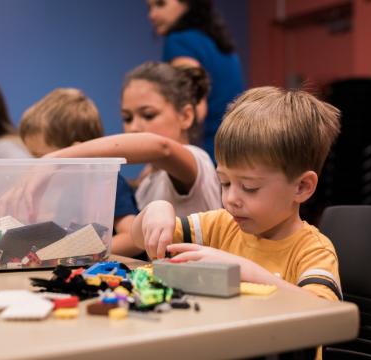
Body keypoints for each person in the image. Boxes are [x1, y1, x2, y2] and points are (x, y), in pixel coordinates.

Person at [132, 87, 343, 303]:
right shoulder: (220, 226)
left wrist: (247, 272)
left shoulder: (313, 251)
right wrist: (155, 210)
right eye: (224, 182)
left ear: (302, 187)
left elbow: (326, 313)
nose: (230, 198)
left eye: (249, 187)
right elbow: (140, 239)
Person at [46, 61, 221, 217]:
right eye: (127, 118)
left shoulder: (196, 160)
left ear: (185, 116)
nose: (133, 127)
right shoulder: (148, 176)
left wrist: (56, 159)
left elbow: (162, 149)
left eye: (148, 115)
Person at [18, 88, 140, 256]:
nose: (38, 168)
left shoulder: (107, 183)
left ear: (76, 152)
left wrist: (83, 252)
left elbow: (133, 239)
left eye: (42, 158)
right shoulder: (68, 191)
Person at [148, 0, 244, 161]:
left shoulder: (179, 41)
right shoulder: (218, 42)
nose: (152, 15)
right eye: (149, 7)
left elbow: (194, 105)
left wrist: (166, 161)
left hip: (211, 155)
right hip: (238, 150)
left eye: (161, 4)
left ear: (188, 4)